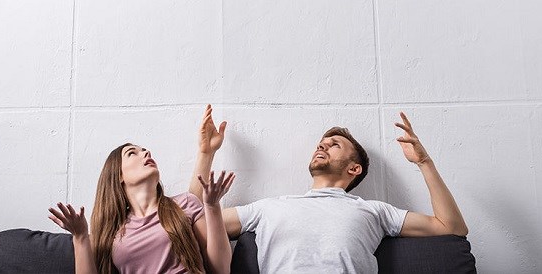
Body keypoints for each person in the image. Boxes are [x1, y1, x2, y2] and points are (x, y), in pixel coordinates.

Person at [191, 110, 468, 273]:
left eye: (334, 145)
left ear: (354, 169)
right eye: (321, 144)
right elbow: (191, 223)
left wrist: (424, 162)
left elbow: (452, 226)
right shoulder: (268, 208)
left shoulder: (373, 210)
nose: (322, 146)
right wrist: (206, 154)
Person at [48, 106, 235, 274]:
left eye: (145, 150)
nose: (146, 153)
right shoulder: (111, 233)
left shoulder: (185, 203)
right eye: (132, 153)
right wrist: (80, 236)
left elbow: (221, 269)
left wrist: (212, 206)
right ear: (118, 175)